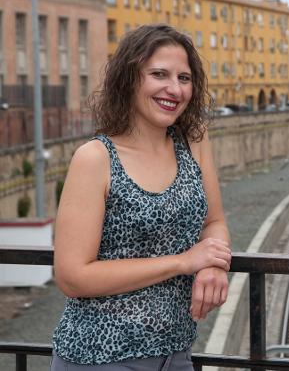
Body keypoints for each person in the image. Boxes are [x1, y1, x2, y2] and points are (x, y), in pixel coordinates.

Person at [51, 24, 231, 370]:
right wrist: (183, 262)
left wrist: (213, 263)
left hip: (176, 354)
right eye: (159, 74)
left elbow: (215, 222)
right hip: (100, 357)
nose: (174, 89)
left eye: (184, 78)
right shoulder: (96, 158)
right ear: (130, 79)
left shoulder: (194, 143)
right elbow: (72, 276)